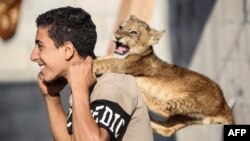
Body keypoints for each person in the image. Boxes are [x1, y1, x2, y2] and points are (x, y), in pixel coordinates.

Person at [30, 6, 153, 141]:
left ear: (67, 50)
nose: (33, 56)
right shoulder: (84, 86)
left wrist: (79, 89)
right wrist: (51, 97)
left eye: (40, 46)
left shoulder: (113, 83)